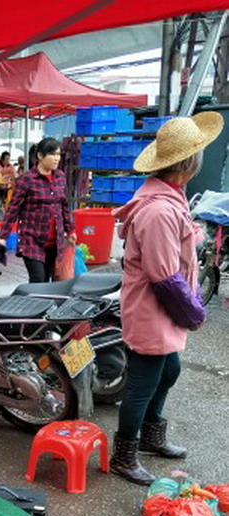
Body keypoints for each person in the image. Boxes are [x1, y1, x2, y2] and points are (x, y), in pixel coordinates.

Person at [109, 113, 222, 484]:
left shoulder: (171, 197)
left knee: (169, 370)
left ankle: (150, 437)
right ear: (189, 164)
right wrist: (194, 311)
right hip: (152, 307)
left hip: (163, 308)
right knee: (143, 382)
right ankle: (125, 454)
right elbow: (164, 276)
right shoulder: (159, 209)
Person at [0, 137, 75, 283]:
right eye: (52, 154)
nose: (56, 159)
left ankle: (45, 305)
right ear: (40, 156)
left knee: (48, 280)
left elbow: (64, 206)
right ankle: (33, 305)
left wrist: (70, 230)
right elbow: (12, 210)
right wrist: (2, 237)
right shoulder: (26, 180)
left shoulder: (60, 177)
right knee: (38, 279)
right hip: (31, 240)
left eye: (58, 155)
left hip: (55, 241)